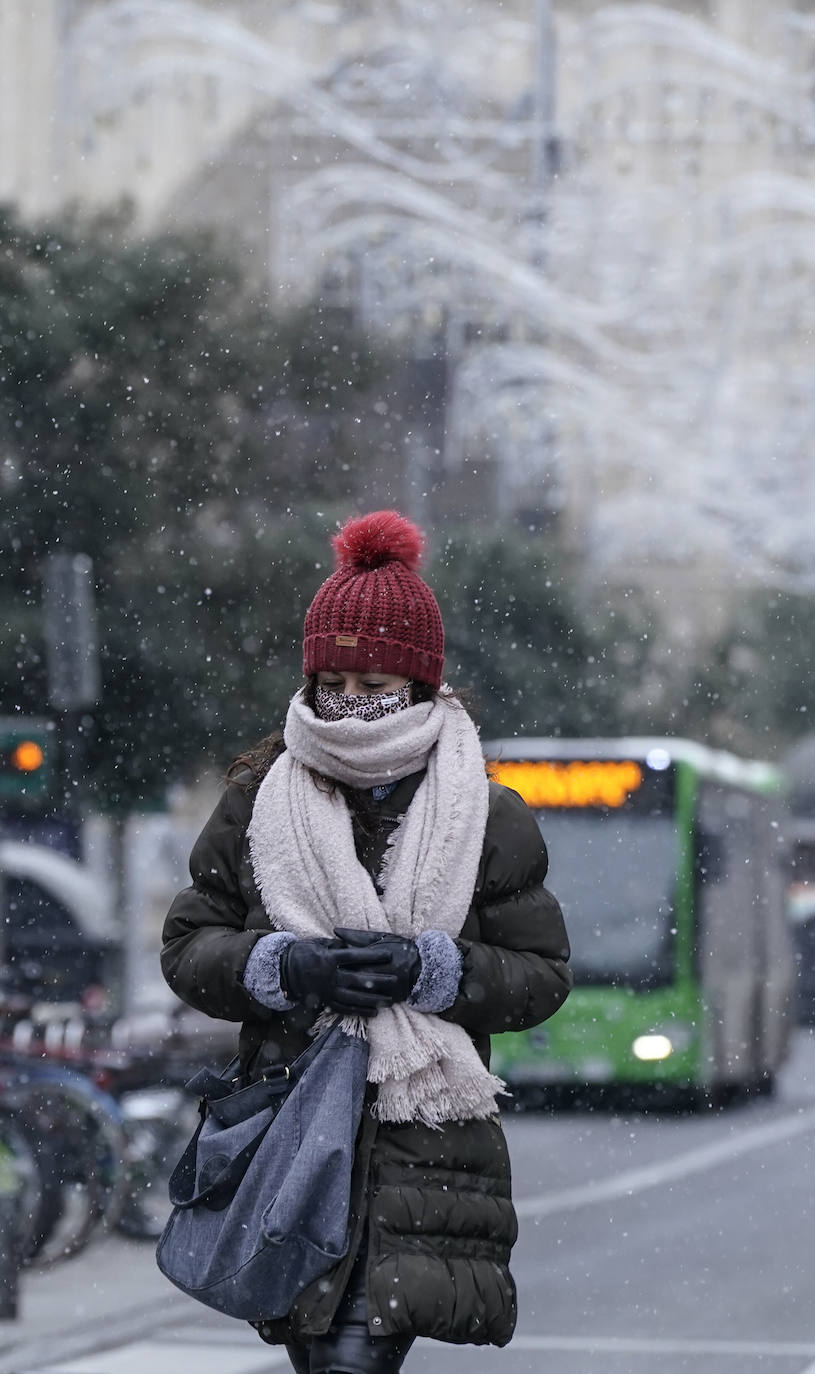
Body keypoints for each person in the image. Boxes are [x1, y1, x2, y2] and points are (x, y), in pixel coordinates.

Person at [161, 509, 572, 1374]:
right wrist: (285, 968)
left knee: (353, 1356)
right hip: (291, 1132)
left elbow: (539, 975)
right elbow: (190, 946)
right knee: (321, 1354)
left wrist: (432, 971)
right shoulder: (257, 800)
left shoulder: (483, 815)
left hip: (419, 1153)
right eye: (333, 684)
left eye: (375, 684)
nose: (349, 705)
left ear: (422, 686)